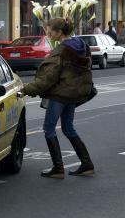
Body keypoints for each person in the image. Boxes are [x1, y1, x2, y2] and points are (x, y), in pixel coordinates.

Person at [21, 18, 95, 179]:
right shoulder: (81, 45)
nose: (47, 34)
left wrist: (25, 90)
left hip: (60, 95)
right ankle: (87, 164)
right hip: (74, 94)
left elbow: (47, 78)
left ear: (59, 32)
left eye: (49, 31)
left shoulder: (61, 51)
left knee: (48, 129)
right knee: (68, 128)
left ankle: (58, 168)